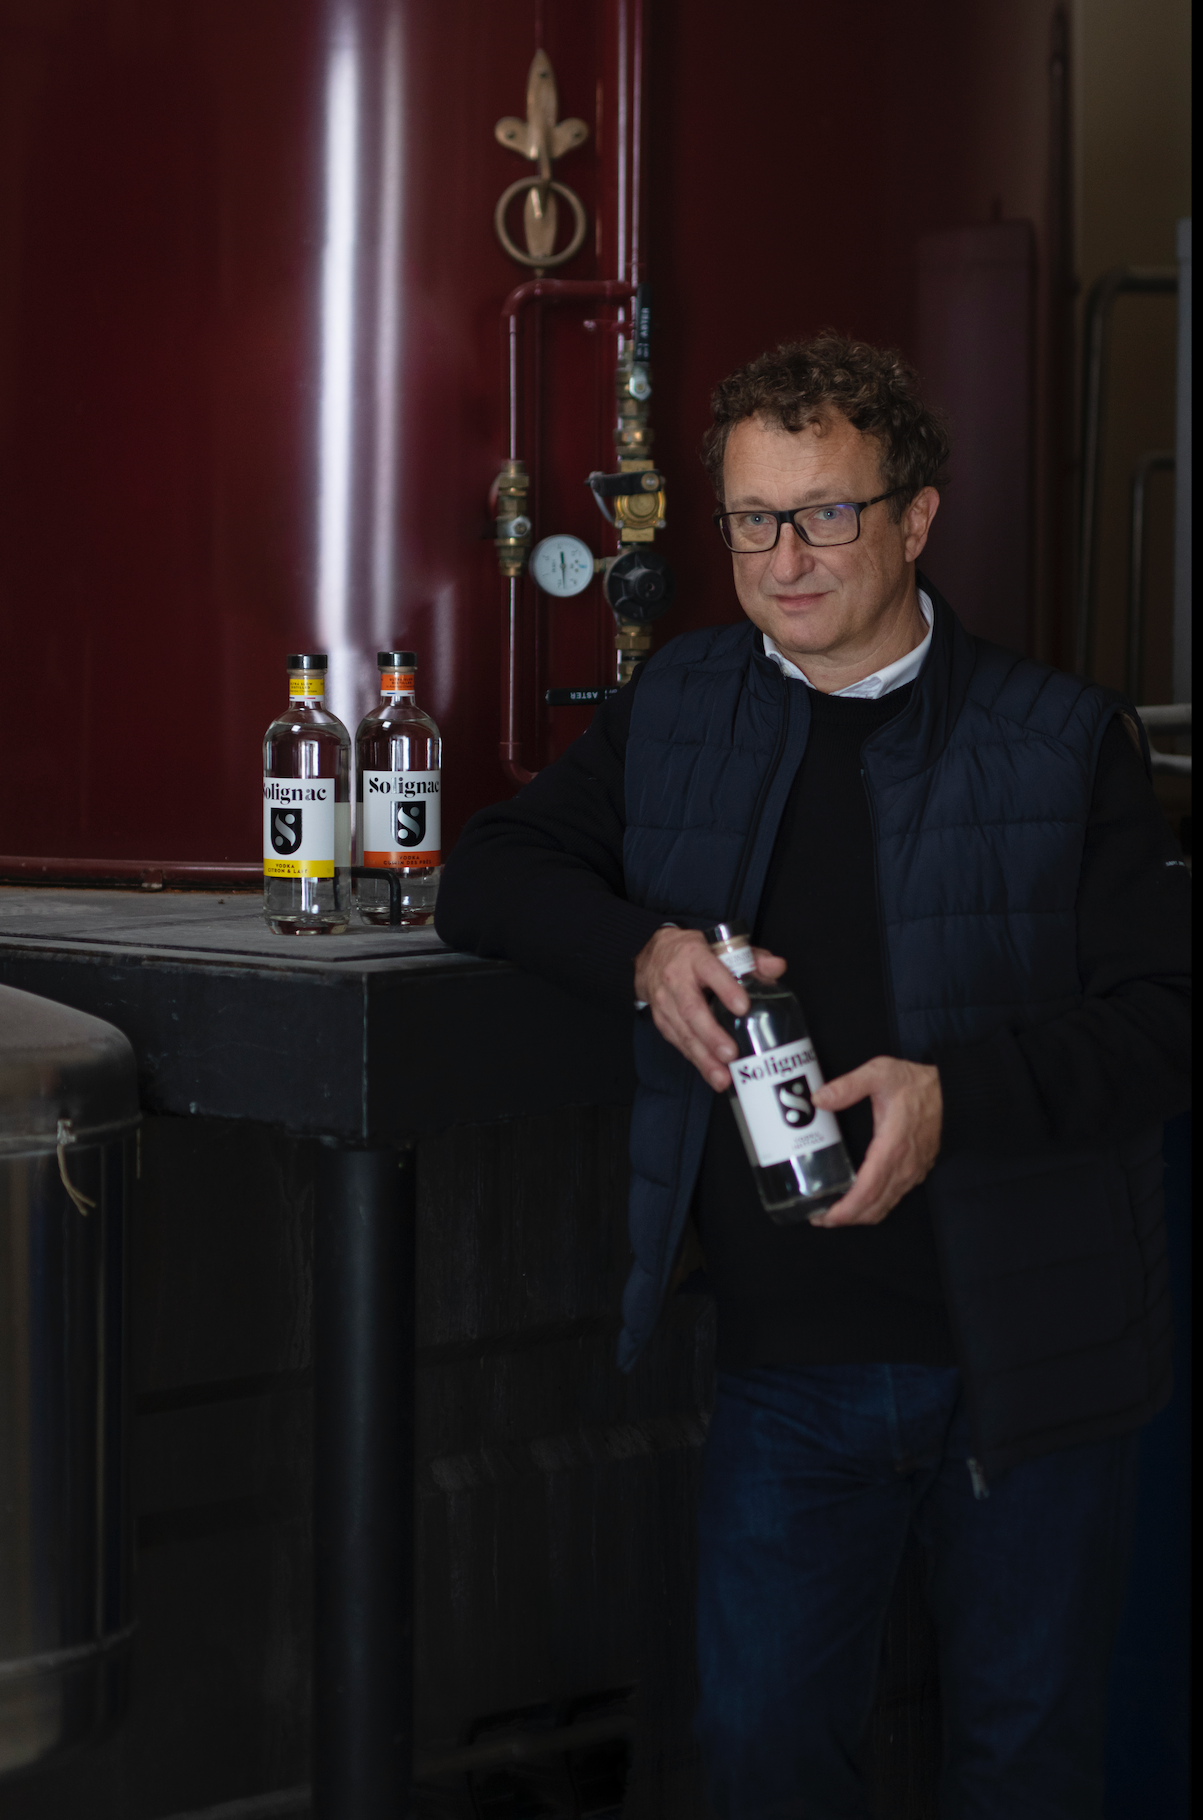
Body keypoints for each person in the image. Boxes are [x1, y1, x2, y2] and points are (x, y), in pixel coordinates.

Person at [435, 333, 1191, 1818]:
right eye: (752, 519)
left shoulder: (1058, 739)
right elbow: (491, 872)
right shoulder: (681, 707)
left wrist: (950, 1094)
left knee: (1021, 1774)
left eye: (827, 512)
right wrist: (643, 949)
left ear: (915, 518)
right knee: (764, 1762)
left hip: (1029, 1368)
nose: (785, 558)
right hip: (791, 1373)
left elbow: (1166, 1015)